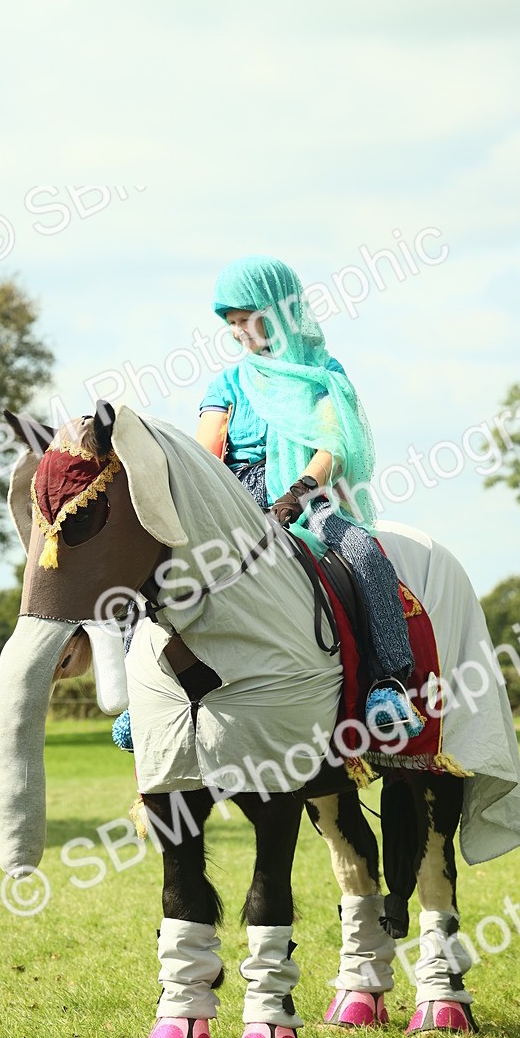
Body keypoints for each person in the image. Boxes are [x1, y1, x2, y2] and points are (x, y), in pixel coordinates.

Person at [196, 254, 420, 737]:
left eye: (246, 320)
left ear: (277, 311)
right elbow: (206, 452)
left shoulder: (322, 370)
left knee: (363, 551)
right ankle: (151, 691)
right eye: (231, 324)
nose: (239, 332)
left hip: (304, 493)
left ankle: (389, 683)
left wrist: (298, 492)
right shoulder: (228, 382)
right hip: (236, 494)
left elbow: (334, 444)